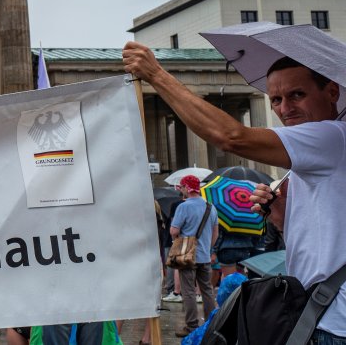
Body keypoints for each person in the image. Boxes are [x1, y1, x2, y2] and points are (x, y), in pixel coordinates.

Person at [124, 43, 346, 344]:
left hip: (332, 323)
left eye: (297, 94)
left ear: (332, 92)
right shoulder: (313, 157)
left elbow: (231, 137)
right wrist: (281, 219)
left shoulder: (331, 137)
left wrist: (156, 74)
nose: (284, 108)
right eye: (276, 99)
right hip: (316, 314)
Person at [168, 174, 216, 337]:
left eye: (181, 187)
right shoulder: (211, 206)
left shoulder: (183, 206)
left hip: (186, 255)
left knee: (188, 291)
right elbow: (215, 233)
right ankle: (212, 323)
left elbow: (174, 231)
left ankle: (191, 326)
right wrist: (207, 248)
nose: (181, 191)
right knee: (207, 290)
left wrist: (178, 239)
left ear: (186, 188)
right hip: (204, 255)